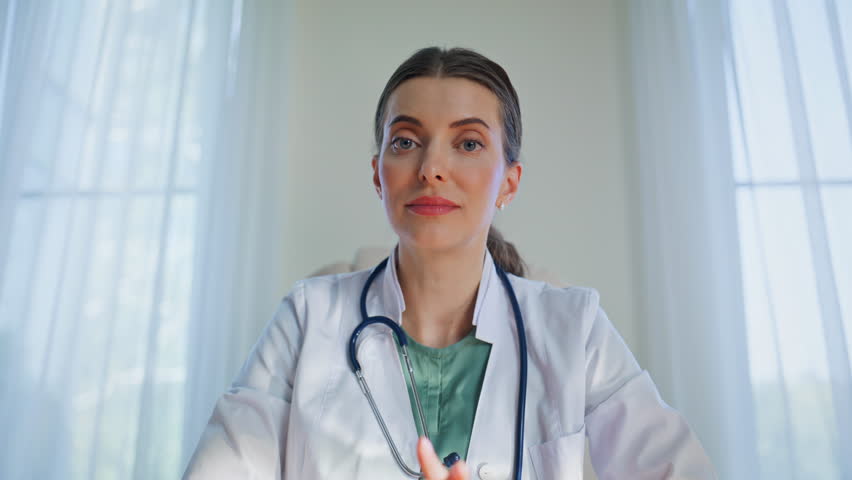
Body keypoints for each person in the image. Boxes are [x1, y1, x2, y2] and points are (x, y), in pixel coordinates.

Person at [183, 46, 715, 480]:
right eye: (407, 141)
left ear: (509, 181)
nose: (432, 168)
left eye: (467, 142)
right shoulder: (307, 317)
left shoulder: (574, 329)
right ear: (378, 174)